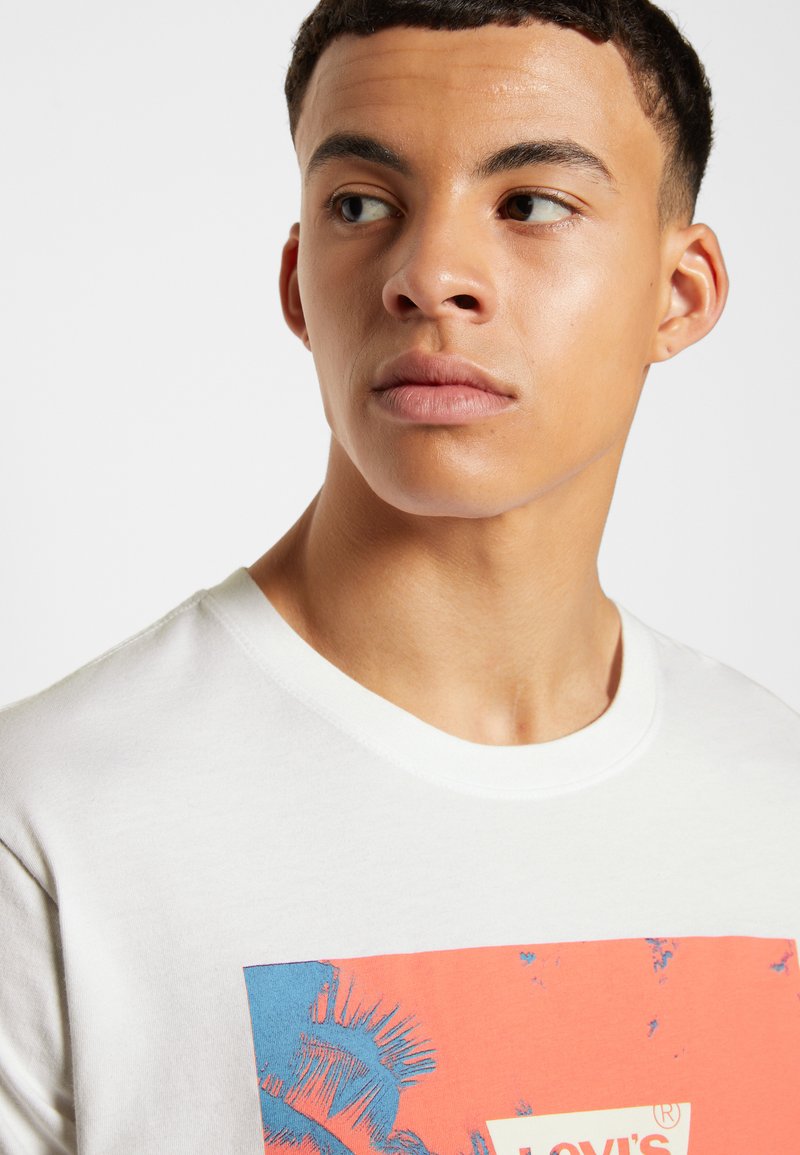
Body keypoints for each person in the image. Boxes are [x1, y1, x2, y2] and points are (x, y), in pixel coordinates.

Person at [1, 1, 798, 1152]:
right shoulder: (52, 822)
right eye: (361, 205)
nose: (427, 276)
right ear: (297, 285)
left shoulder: (775, 808)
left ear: (678, 294)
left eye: (529, 204)